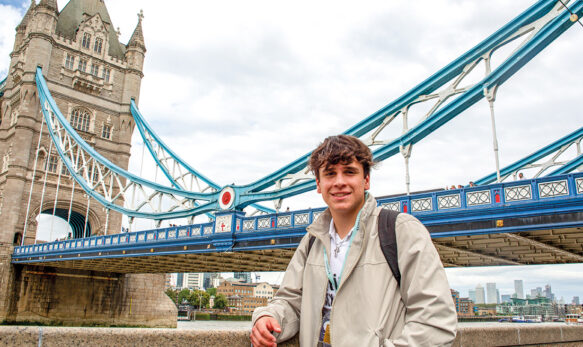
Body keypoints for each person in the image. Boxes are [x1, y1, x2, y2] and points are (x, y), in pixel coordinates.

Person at [251, 135, 457, 347]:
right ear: (318, 185)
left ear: (366, 180)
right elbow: (291, 302)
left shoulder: (400, 230)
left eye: (349, 172)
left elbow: (435, 321)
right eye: (330, 174)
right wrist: (269, 317)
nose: (339, 182)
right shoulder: (312, 240)